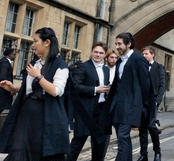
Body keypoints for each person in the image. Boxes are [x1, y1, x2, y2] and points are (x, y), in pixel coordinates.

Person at [0, 27, 70, 160]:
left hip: (46, 115)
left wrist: (39, 77)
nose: (32, 45)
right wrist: (13, 89)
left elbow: (56, 91)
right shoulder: (34, 63)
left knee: (39, 152)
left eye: (35, 41)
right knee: (20, 149)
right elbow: (28, 88)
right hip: (27, 113)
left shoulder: (60, 65)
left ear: (47, 42)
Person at [102, 32, 150, 161]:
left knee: (123, 137)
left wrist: (144, 106)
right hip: (117, 105)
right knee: (123, 138)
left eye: (120, 44)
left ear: (128, 44)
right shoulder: (119, 61)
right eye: (116, 44)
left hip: (131, 106)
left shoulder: (139, 60)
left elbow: (146, 85)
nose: (117, 47)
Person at [68, 41, 111, 161]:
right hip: (85, 110)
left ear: (104, 55)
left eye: (101, 53)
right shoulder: (83, 66)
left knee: (100, 144)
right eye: (96, 52)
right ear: (91, 52)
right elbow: (76, 86)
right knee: (78, 142)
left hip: (101, 111)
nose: (98, 55)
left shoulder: (106, 69)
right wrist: (95, 89)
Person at [138, 46, 166, 161]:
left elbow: (162, 85)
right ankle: (143, 154)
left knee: (151, 126)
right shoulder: (140, 67)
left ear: (152, 55)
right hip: (140, 101)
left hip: (153, 100)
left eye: (146, 54)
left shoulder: (159, 67)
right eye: (143, 54)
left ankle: (157, 151)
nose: (144, 56)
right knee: (142, 128)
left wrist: (157, 100)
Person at [0, 48, 16, 117]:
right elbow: (3, 76)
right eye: (14, 54)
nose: (15, 56)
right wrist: (10, 89)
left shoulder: (4, 62)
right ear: (9, 55)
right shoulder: (5, 64)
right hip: (3, 91)